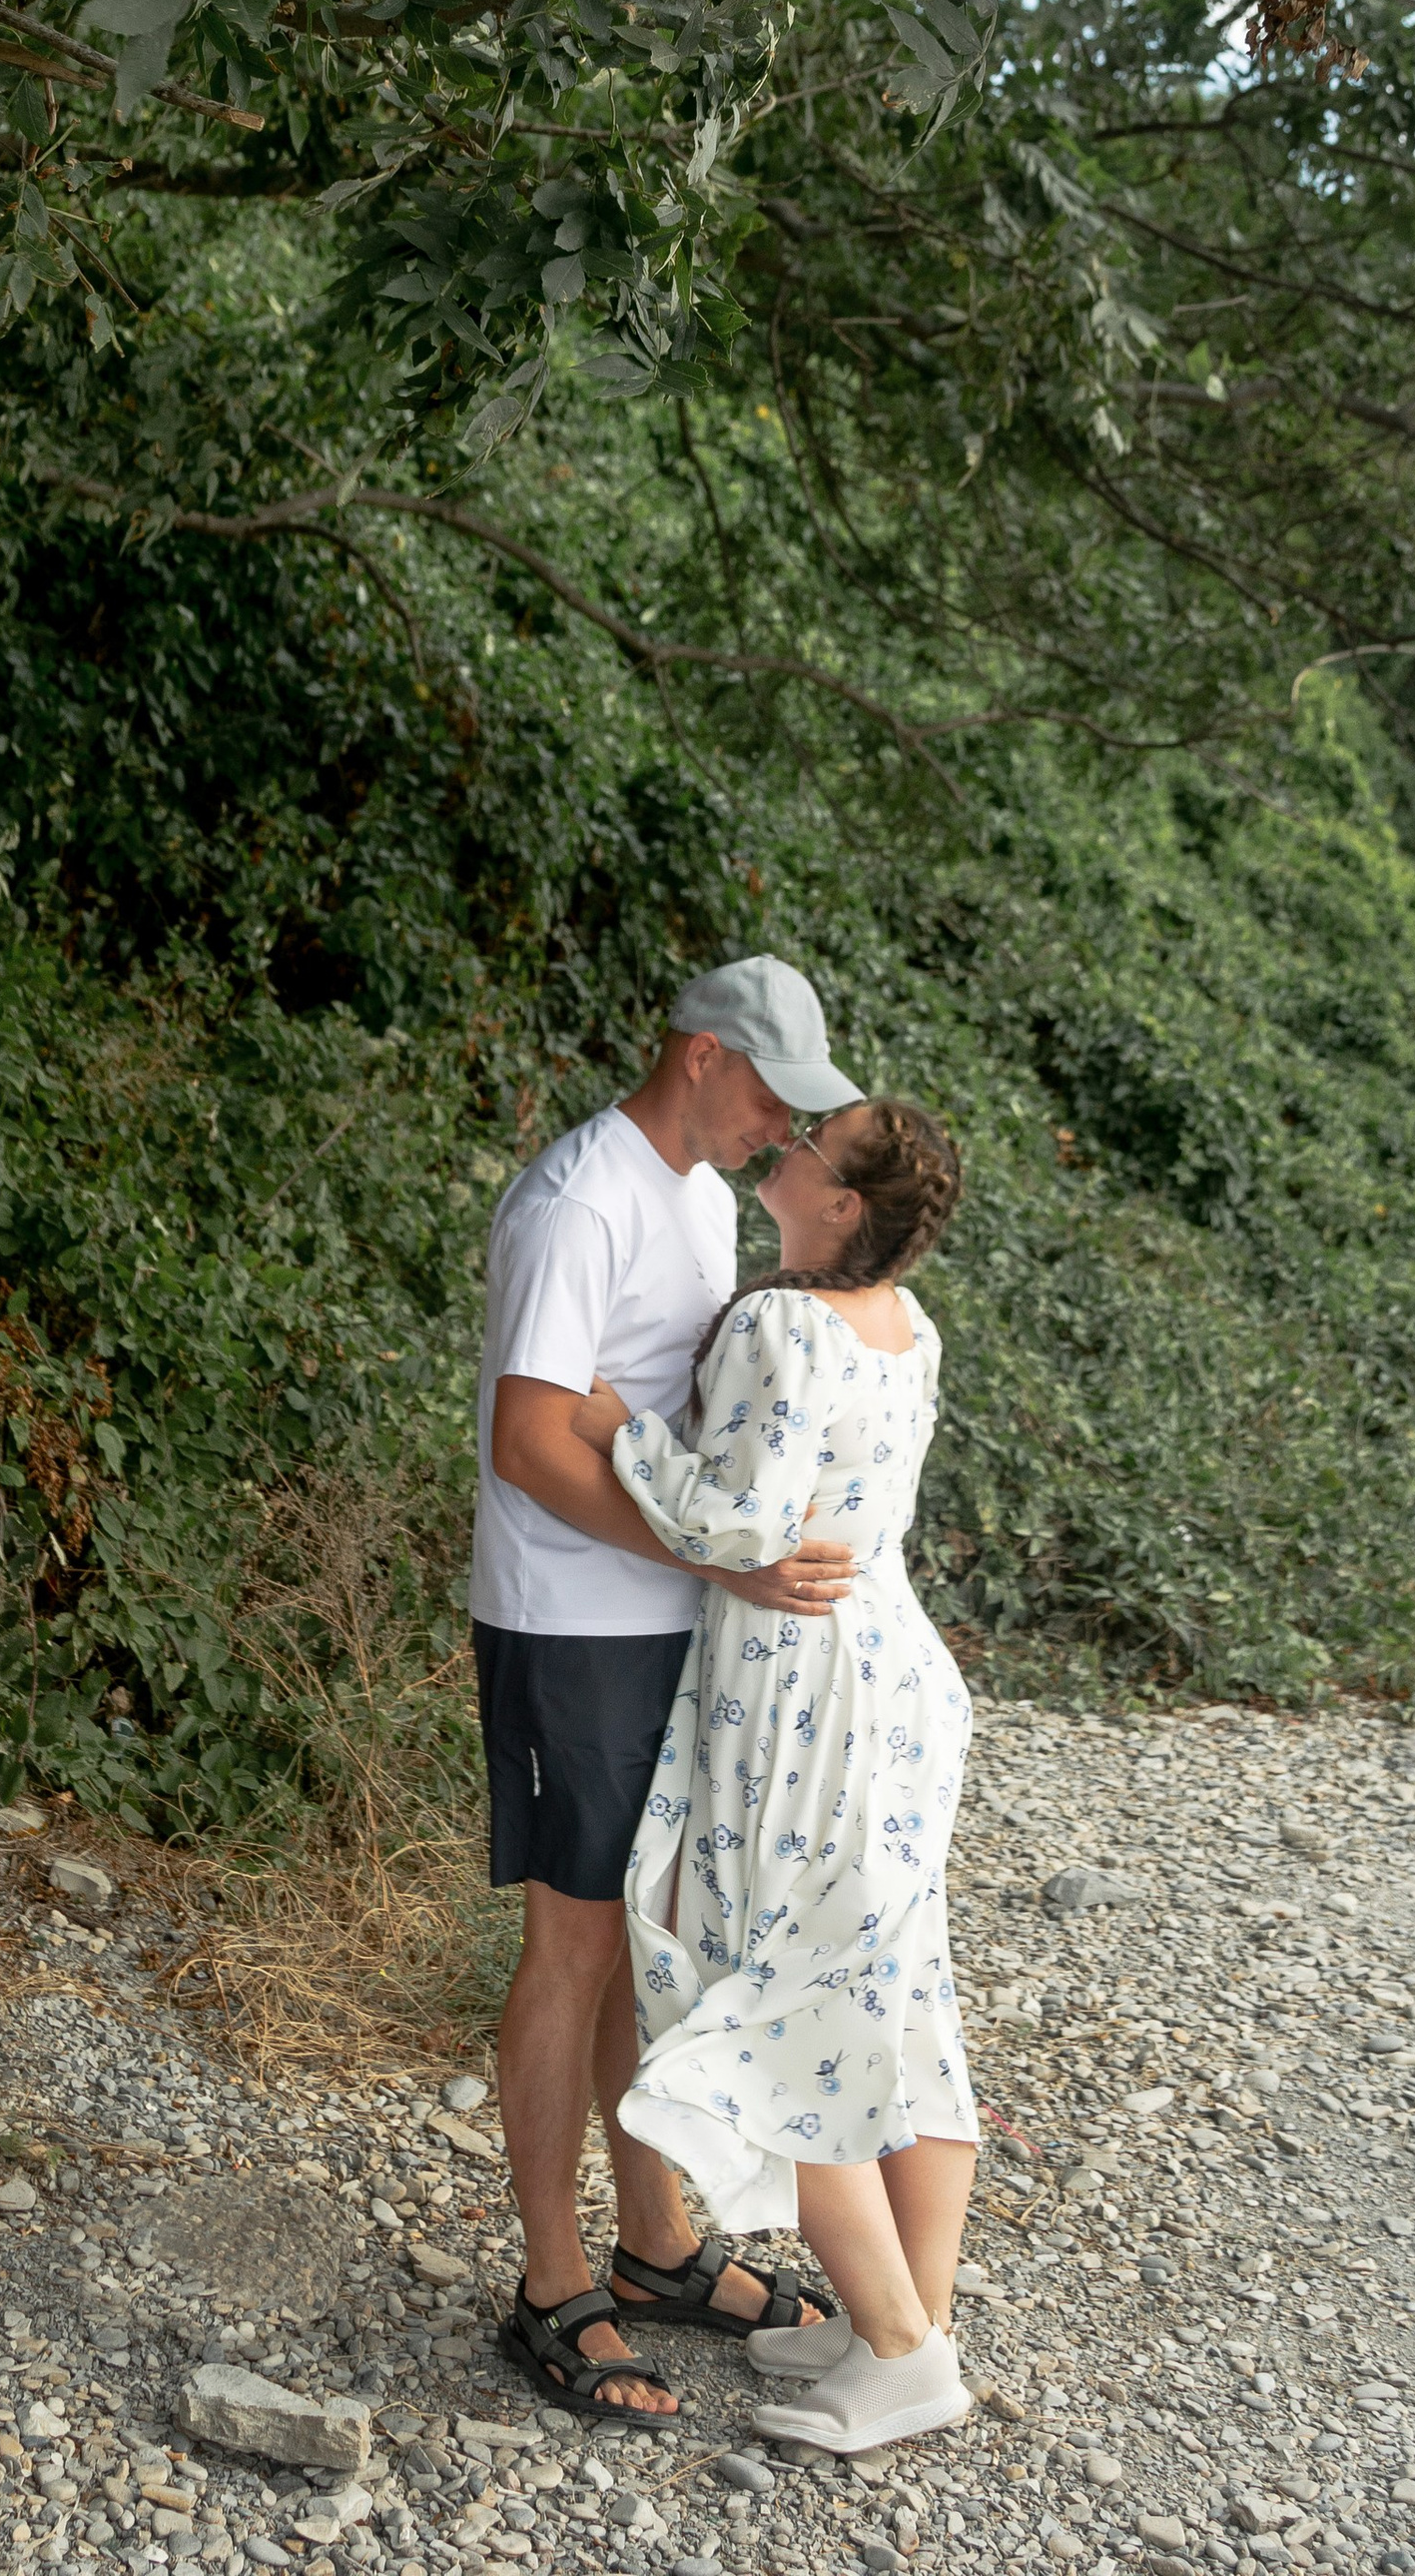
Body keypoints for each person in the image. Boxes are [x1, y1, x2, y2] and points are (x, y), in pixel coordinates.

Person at [471, 959, 867, 2427]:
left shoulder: (702, 1192)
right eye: (772, 1092)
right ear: (702, 1056)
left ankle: (655, 2249)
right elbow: (528, 1439)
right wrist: (719, 1552)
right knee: (573, 1947)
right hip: (569, 1622)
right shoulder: (582, 1199)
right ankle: (550, 2282)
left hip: (676, 1615)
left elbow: (658, 1409)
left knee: (649, 1941)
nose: (784, 1127)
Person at [571, 1095, 979, 2457]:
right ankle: (901, 2315)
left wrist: (618, 1426)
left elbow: (739, 1521)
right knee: (893, 1986)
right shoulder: (905, 1328)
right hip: (898, 1675)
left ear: (839, 1203)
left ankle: (907, 2356)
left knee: (794, 1993)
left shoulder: (779, 1323)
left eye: (812, 1145)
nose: (784, 1147)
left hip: (797, 1682)